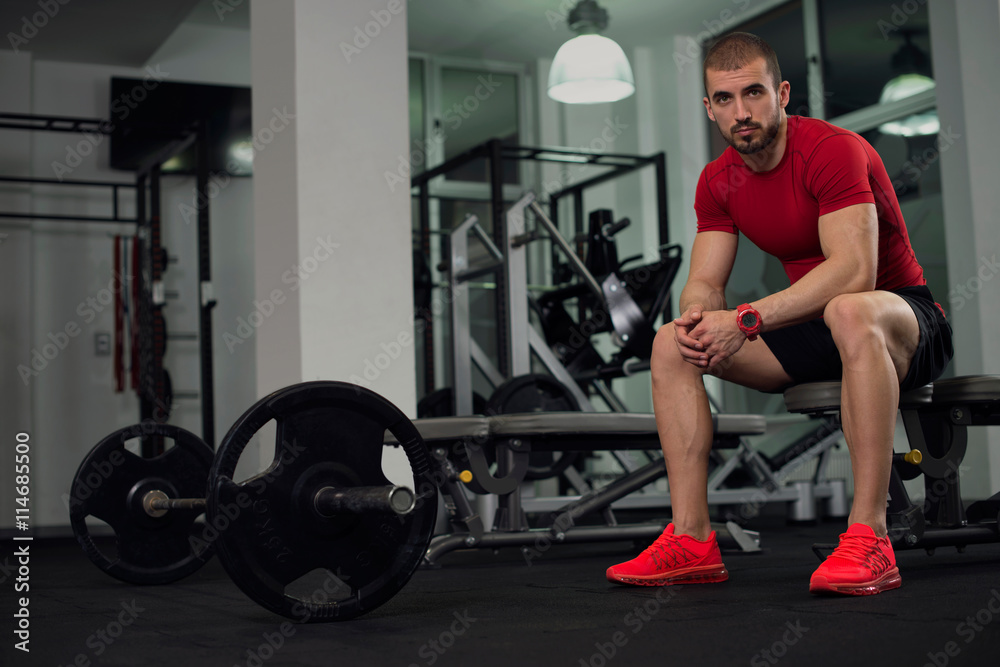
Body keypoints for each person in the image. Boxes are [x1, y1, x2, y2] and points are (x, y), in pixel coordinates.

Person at [605, 32, 953, 596]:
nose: (741, 113)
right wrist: (697, 318)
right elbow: (704, 281)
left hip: (904, 321)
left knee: (848, 308)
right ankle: (691, 540)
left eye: (753, 93)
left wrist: (742, 321)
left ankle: (870, 537)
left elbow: (853, 273)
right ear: (709, 107)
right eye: (724, 99)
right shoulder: (718, 181)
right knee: (671, 342)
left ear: (782, 92)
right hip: (817, 329)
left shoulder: (832, 149)